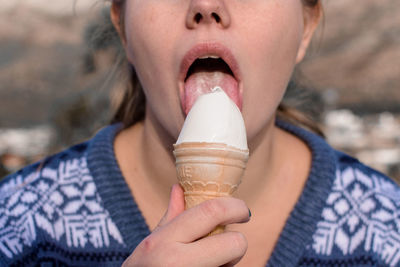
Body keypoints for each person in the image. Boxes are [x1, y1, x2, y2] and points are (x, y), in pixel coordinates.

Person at [0, 0, 399, 266]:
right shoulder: (15, 230)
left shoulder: (389, 236)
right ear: (122, 25)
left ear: (306, 25)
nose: (206, 5)